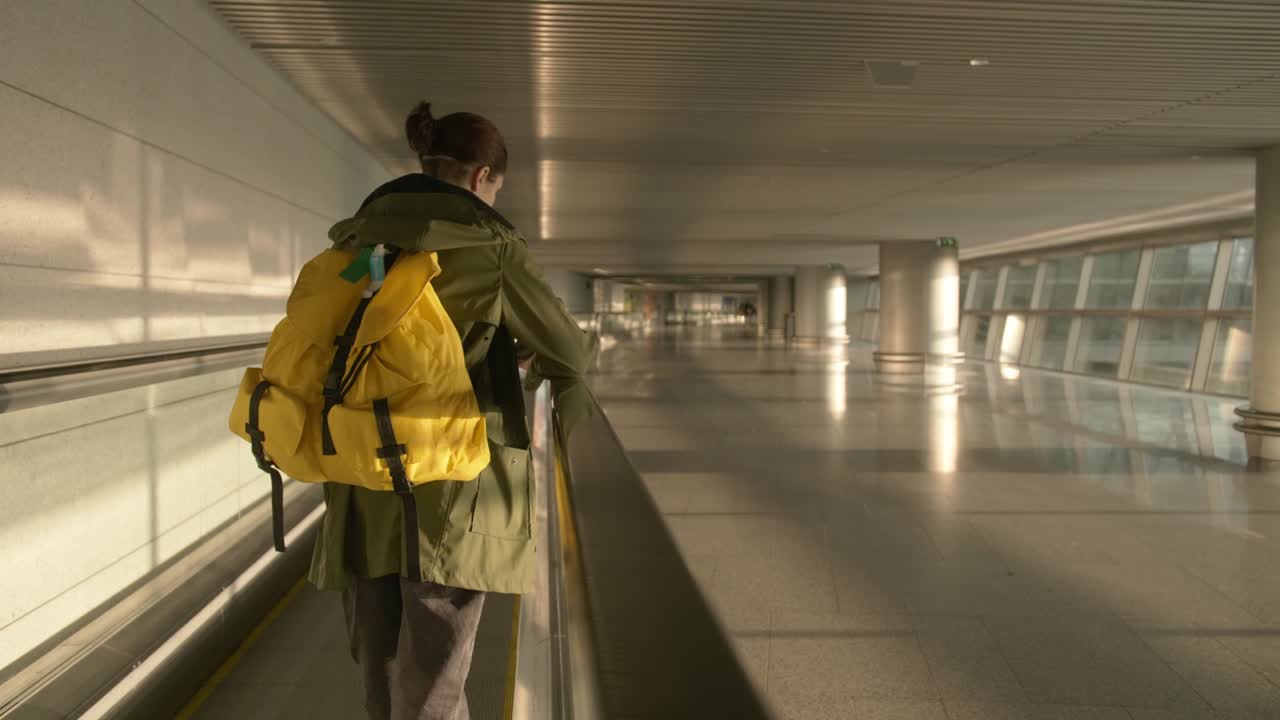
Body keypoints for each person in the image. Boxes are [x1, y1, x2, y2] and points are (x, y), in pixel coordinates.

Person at [307, 102, 593, 720]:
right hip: (450, 489)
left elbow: (349, 321)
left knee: (380, 677)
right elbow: (567, 349)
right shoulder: (490, 246)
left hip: (362, 481)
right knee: (434, 682)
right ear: (484, 176)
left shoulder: (367, 242)